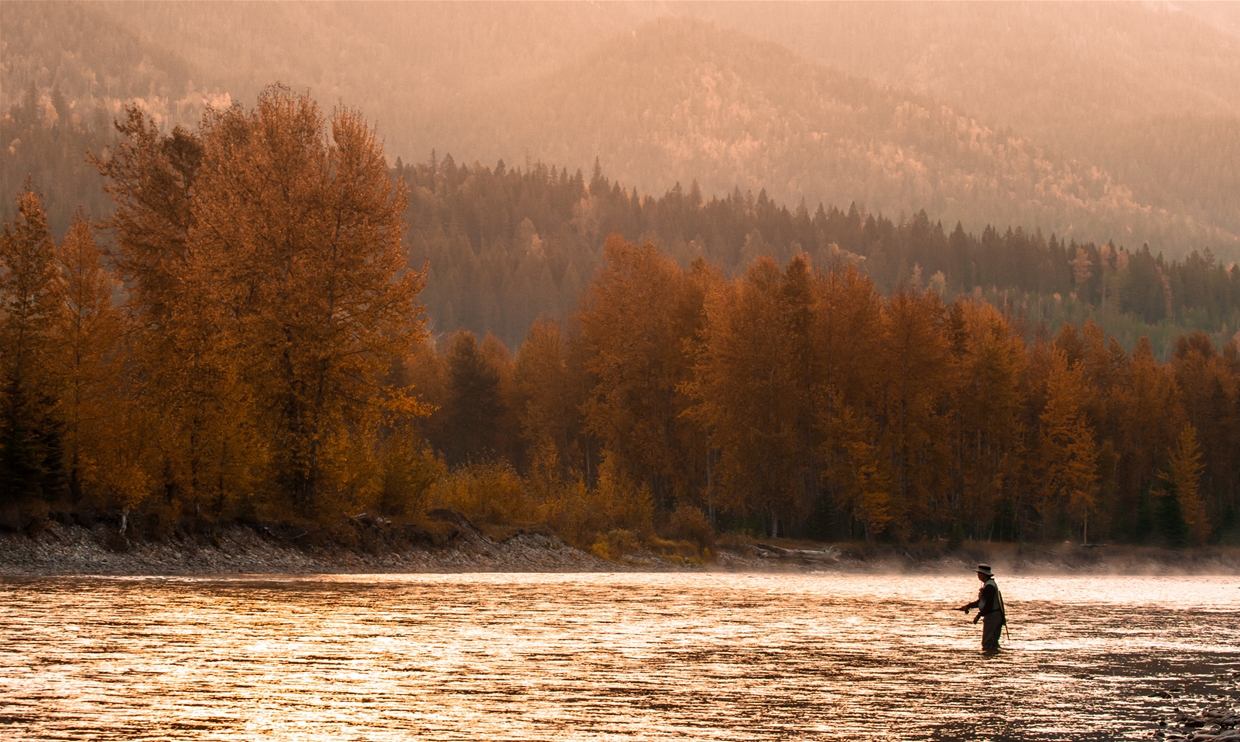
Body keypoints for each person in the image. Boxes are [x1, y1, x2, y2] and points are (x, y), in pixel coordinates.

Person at [958, 563, 1006, 651]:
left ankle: (989, 659)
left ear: (984, 575)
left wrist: (978, 616)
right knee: (992, 642)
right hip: (994, 615)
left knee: (987, 642)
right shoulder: (989, 584)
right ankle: (994, 657)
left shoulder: (989, 587)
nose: (978, 575)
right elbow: (981, 602)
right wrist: (968, 606)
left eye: (979, 573)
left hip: (993, 616)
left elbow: (988, 605)